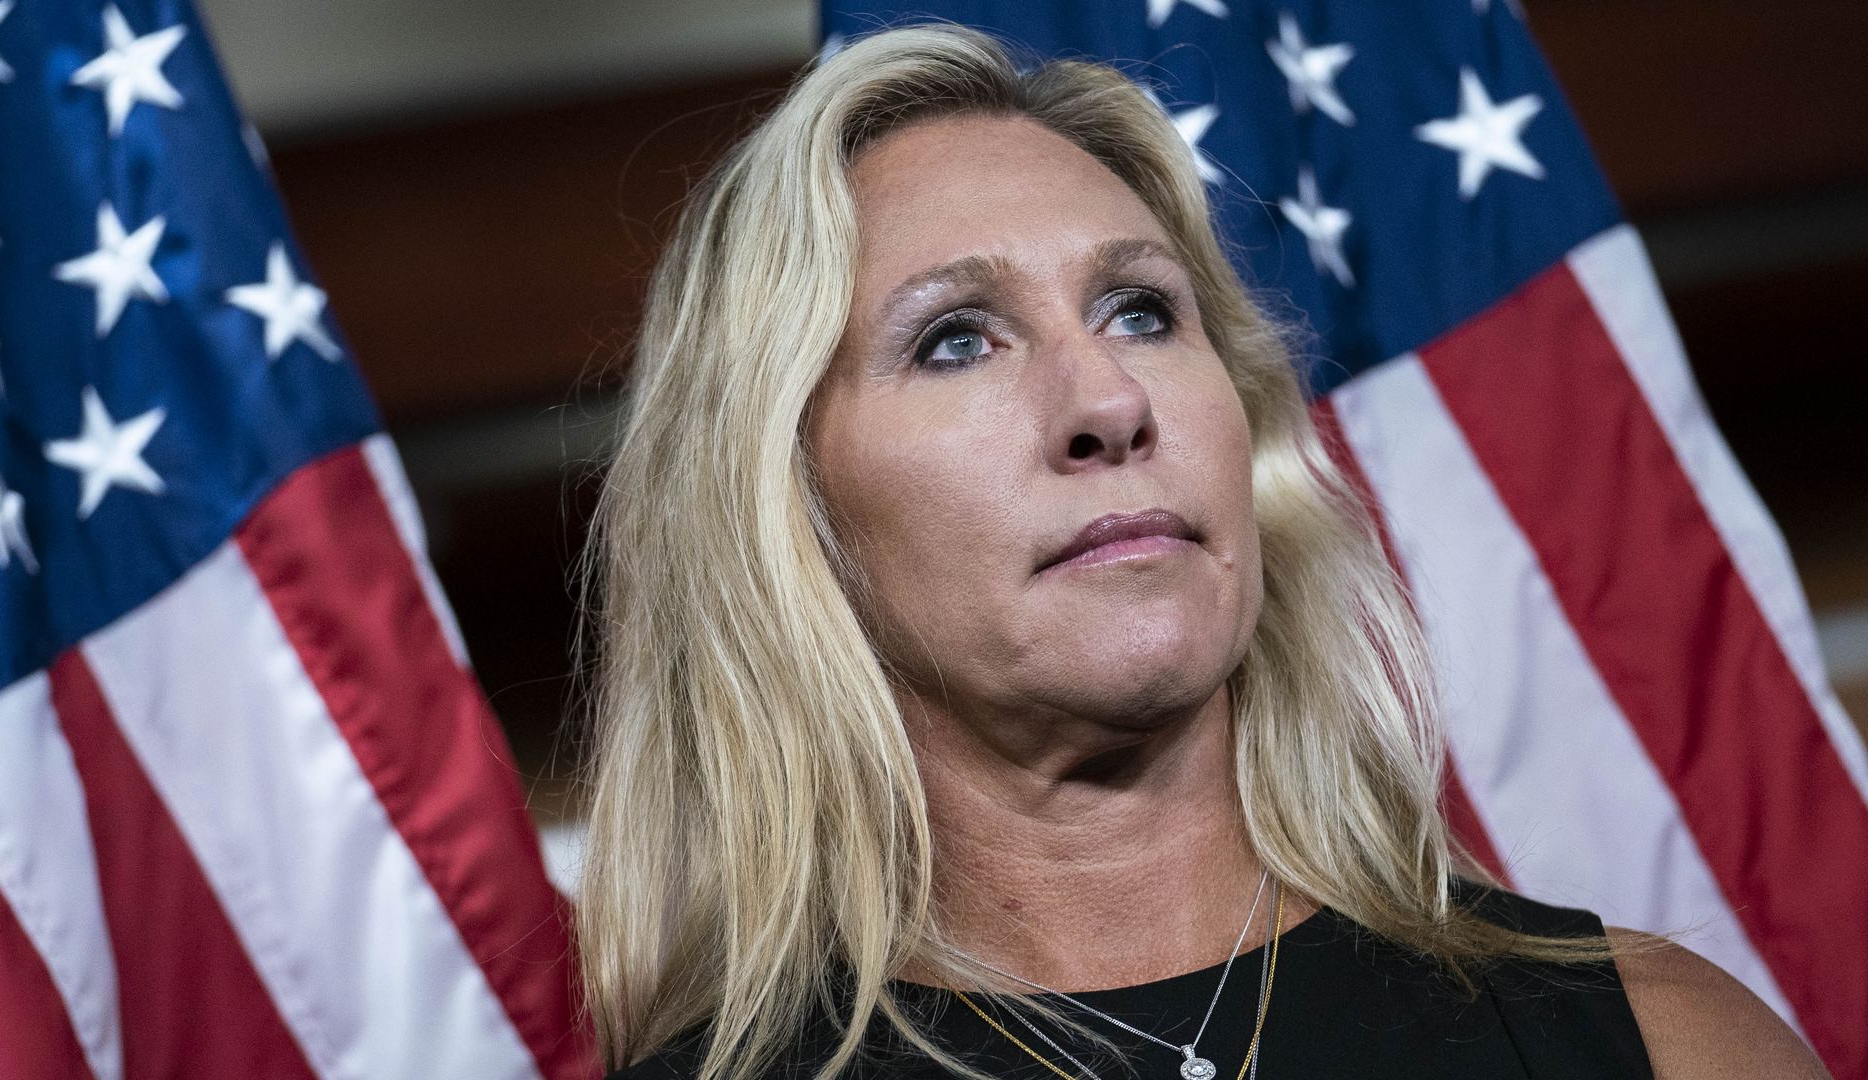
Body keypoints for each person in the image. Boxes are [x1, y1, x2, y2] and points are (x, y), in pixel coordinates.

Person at [573, 23, 1828, 1080]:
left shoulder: (1668, 1044)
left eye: (1143, 310)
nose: (1109, 402)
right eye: (957, 339)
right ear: (786, 508)